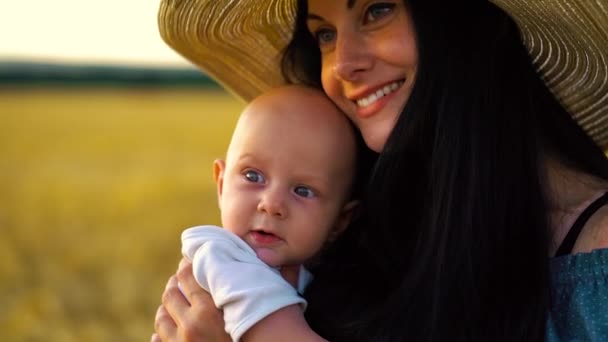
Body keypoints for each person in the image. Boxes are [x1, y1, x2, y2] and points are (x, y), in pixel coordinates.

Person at [154, 0, 608, 341]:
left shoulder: (597, 263)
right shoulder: (371, 234)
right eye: (325, 35)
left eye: (377, 10)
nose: (344, 63)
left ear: (468, 16)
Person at [179, 84, 363, 341]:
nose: (271, 204)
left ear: (339, 222)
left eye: (303, 191)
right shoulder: (220, 257)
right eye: (252, 176)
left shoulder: (324, 280)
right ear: (221, 186)